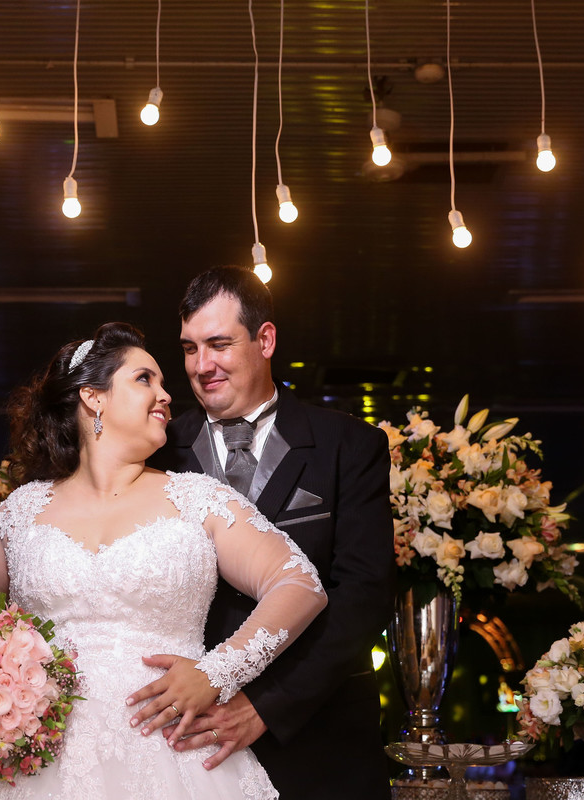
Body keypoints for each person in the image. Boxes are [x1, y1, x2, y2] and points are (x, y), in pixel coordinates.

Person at [0, 322, 327, 800]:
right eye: (145, 379)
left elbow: (300, 582)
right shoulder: (21, 511)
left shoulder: (195, 499)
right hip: (37, 758)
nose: (165, 395)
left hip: (170, 754)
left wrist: (216, 672)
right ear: (92, 397)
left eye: (164, 383)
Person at [151, 266, 396, 799]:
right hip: (190, 745)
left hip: (320, 738)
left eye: (219, 344)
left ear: (265, 339)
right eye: (190, 348)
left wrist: (267, 706)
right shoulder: (155, 453)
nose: (201, 366)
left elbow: (365, 596)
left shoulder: (348, 446)